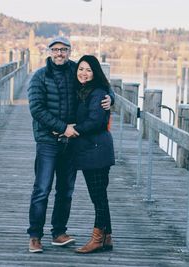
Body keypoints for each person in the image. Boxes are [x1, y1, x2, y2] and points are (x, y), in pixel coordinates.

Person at [27, 36, 114, 253]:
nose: (59, 53)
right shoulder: (39, 77)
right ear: (49, 51)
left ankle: (58, 232)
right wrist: (62, 126)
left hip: (71, 142)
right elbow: (36, 109)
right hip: (48, 141)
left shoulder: (76, 71)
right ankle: (35, 236)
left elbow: (99, 84)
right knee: (42, 189)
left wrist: (111, 97)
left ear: (69, 51)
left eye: (64, 50)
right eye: (56, 49)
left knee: (66, 190)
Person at [72, 55, 115, 254]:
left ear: (95, 73)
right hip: (92, 149)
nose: (84, 73)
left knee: (98, 198)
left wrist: (73, 129)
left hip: (97, 150)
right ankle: (107, 237)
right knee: (100, 197)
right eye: (81, 69)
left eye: (88, 70)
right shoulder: (82, 89)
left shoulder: (98, 92)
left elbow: (96, 121)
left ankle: (97, 239)